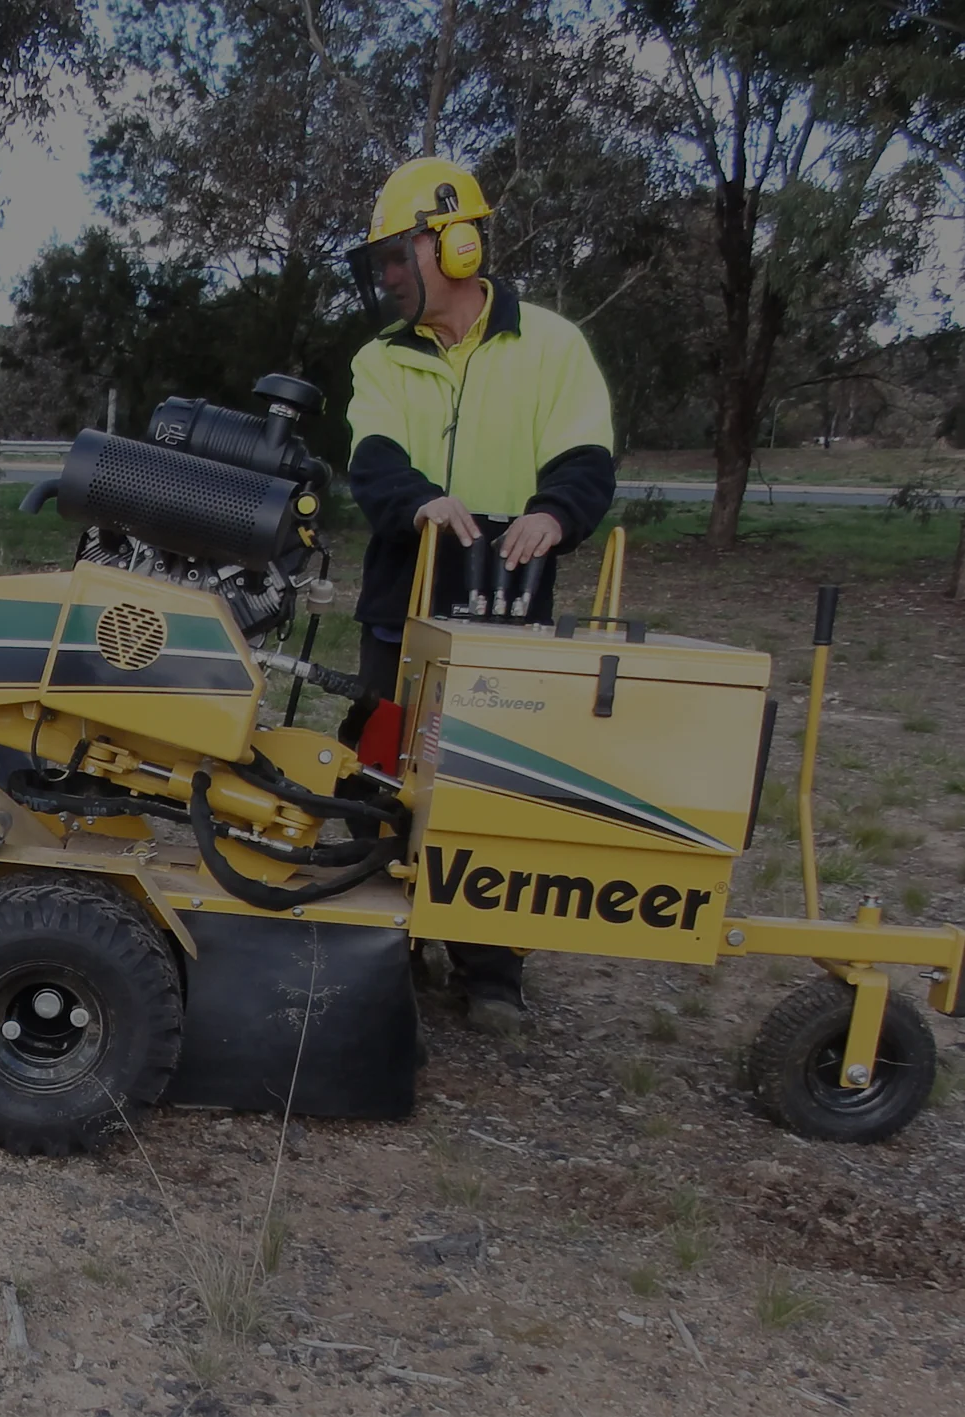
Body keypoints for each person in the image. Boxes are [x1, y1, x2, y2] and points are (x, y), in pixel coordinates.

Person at [342, 155, 617, 1035]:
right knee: (383, 758)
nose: (387, 276)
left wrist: (554, 514)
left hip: (507, 607)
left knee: (489, 783)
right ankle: (379, 941)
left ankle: (488, 964)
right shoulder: (381, 360)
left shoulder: (551, 346)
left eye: (397, 256)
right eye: (380, 262)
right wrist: (416, 499)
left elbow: (585, 458)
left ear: (454, 242)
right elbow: (374, 458)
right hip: (403, 599)